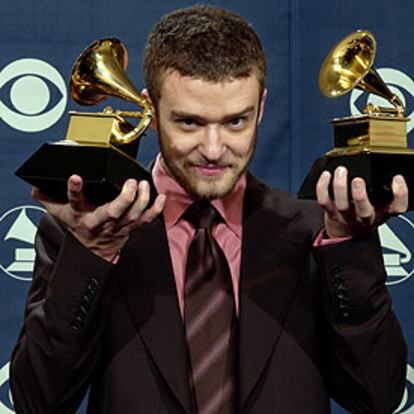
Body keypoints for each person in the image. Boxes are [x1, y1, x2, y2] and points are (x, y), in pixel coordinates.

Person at [10, 5, 408, 414]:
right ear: (151, 110)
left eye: (236, 121)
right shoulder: (86, 231)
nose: (214, 150)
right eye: (189, 123)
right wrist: (93, 253)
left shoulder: (317, 232)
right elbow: (38, 402)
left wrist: (348, 245)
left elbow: (377, 396)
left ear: (262, 107)